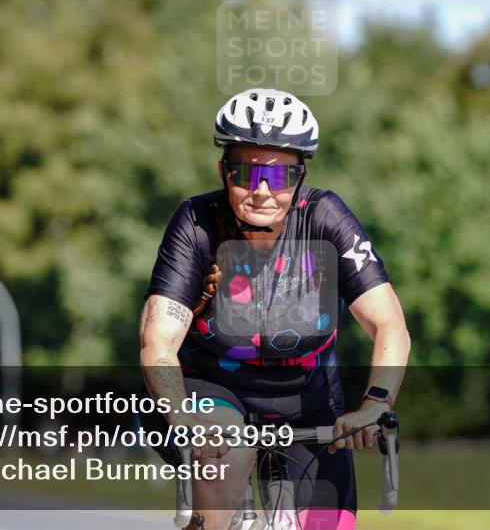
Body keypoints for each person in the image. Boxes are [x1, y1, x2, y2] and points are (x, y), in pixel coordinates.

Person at [139, 88, 411, 530]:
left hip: (308, 402)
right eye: (247, 173)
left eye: (281, 176)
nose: (263, 190)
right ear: (223, 172)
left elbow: (390, 325)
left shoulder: (325, 219)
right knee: (227, 455)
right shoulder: (196, 223)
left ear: (300, 178)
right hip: (214, 390)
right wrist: (182, 418)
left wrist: (376, 403)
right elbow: (157, 341)